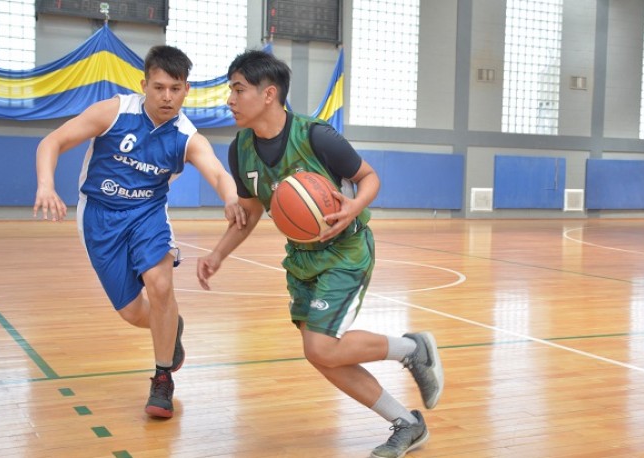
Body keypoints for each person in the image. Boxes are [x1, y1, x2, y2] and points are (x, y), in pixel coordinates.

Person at [196, 50, 444, 458]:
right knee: (322, 354)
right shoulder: (240, 149)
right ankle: (407, 422)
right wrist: (219, 253)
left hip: (345, 250)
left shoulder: (315, 135)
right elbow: (252, 209)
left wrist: (352, 207)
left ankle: (412, 350)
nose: (230, 99)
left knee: (321, 347)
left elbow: (368, 177)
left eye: (238, 89)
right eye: (231, 90)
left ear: (269, 94)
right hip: (302, 259)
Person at [33, 45, 246, 419]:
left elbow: (215, 170)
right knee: (133, 313)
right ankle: (170, 324)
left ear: (186, 90)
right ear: (144, 84)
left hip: (148, 214)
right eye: (160, 87)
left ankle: (162, 377)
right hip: (99, 216)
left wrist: (231, 197)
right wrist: (45, 185)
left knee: (161, 285)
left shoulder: (186, 135)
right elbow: (53, 141)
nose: (167, 96)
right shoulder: (114, 112)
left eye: (175, 88)